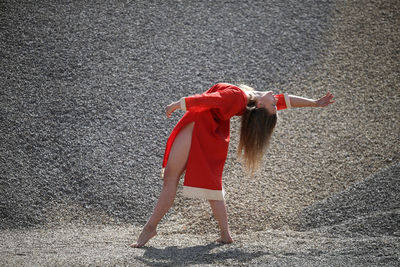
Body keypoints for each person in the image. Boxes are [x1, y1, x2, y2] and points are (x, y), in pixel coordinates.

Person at [131, 83, 334, 248]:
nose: (275, 99)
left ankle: (150, 227)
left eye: (273, 105)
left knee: (171, 179)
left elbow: (210, 100)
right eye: (274, 104)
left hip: (200, 128)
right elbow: (283, 100)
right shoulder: (253, 98)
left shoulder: (239, 97)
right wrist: (314, 103)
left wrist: (178, 104)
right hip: (209, 131)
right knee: (210, 186)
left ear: (262, 107)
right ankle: (225, 234)